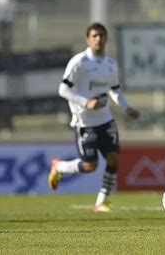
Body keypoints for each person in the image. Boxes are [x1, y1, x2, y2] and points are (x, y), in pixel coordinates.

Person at [48, 22, 140, 213]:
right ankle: (59, 167)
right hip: (84, 122)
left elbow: (115, 90)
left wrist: (126, 107)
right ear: (88, 39)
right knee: (90, 166)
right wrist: (85, 102)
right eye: (94, 36)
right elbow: (63, 89)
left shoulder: (111, 64)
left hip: (106, 120)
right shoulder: (79, 62)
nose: (98, 39)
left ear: (106, 39)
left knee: (113, 158)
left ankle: (101, 202)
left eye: (101, 36)